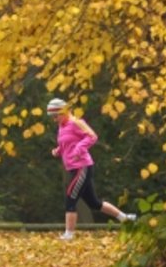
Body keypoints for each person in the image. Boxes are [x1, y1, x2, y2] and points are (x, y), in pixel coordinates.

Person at [47, 98, 135, 240]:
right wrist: (58, 150)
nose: (54, 119)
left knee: (70, 197)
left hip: (82, 167)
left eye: (55, 116)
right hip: (73, 168)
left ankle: (68, 234)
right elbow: (67, 143)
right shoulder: (61, 127)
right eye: (52, 117)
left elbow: (92, 137)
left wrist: (79, 149)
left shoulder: (76, 122)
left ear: (63, 112)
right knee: (94, 203)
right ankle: (125, 218)